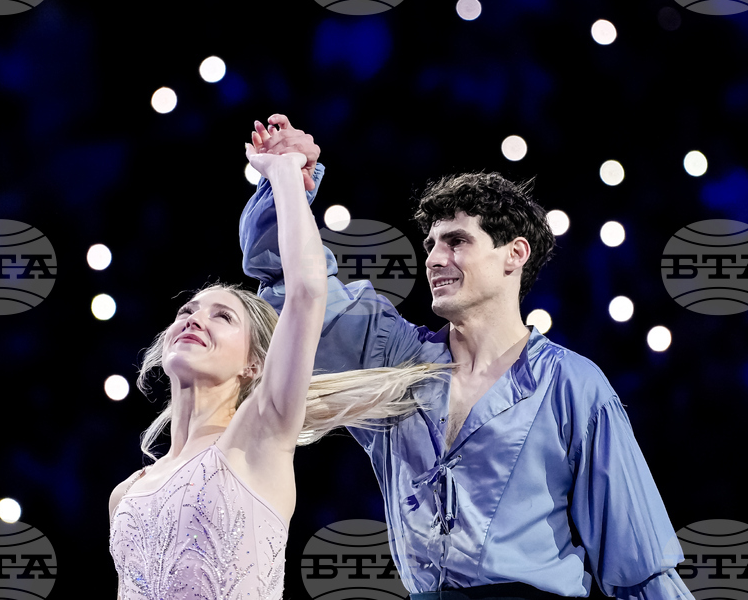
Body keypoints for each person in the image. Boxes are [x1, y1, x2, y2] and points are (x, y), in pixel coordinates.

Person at [239, 114, 695, 600]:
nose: (435, 258)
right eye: (431, 244)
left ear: (514, 254)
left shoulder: (574, 385)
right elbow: (294, 289)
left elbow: (641, 567)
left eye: (457, 241)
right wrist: (287, 183)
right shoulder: (395, 362)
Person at [108, 147, 452, 600]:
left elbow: (307, 291)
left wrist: (285, 173)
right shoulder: (126, 493)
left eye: (221, 317)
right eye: (188, 310)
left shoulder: (258, 435)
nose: (194, 319)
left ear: (254, 364)